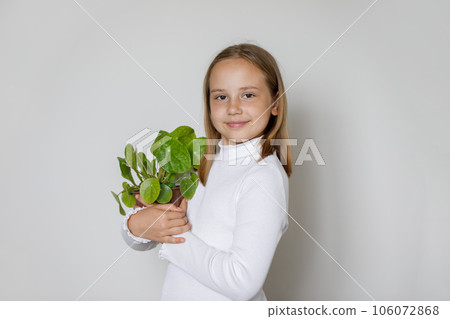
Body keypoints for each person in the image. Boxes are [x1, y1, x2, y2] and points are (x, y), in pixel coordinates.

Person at [121, 43, 292, 300]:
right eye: (221, 96)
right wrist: (136, 224)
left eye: (248, 95)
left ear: (276, 103)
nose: (233, 107)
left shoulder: (263, 177)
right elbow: (147, 236)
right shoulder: (203, 162)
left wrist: (173, 238)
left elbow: (241, 282)